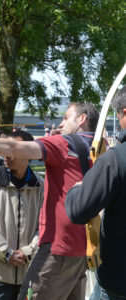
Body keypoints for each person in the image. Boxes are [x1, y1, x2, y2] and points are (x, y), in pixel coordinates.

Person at [0, 102, 99, 300]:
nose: (61, 123)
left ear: (82, 119)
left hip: (59, 247)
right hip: (85, 248)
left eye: (66, 118)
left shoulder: (64, 143)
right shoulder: (101, 147)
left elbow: (12, 146)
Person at [65, 86, 126, 300]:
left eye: (118, 115)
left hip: (117, 286)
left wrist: (77, 189)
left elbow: (79, 210)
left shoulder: (115, 159)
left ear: (124, 112)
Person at [0, 130, 44, 300]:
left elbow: (44, 226)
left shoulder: (41, 186)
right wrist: (6, 254)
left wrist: (28, 252)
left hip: (29, 273)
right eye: (5, 149)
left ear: (29, 153)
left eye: (13, 149)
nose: (7, 154)